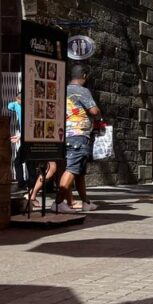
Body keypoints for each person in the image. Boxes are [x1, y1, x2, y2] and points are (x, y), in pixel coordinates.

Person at [51, 65, 100, 213]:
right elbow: (94, 110)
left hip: (62, 134)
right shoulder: (82, 91)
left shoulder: (61, 89)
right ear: (84, 76)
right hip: (77, 135)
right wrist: (98, 113)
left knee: (79, 171)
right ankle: (58, 203)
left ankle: (86, 202)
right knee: (72, 169)